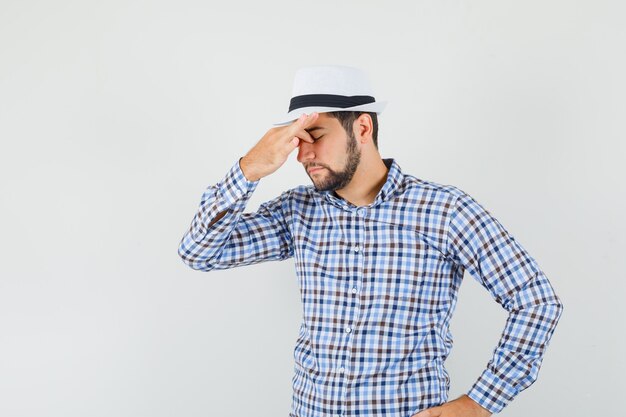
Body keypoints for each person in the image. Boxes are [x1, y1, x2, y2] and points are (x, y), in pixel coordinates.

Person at [177, 65, 564, 417]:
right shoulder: (297, 211)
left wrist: (481, 402)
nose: (302, 155)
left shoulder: (444, 210)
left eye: (313, 135)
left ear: (362, 128)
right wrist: (248, 169)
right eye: (295, 142)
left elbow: (535, 300)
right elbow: (199, 253)